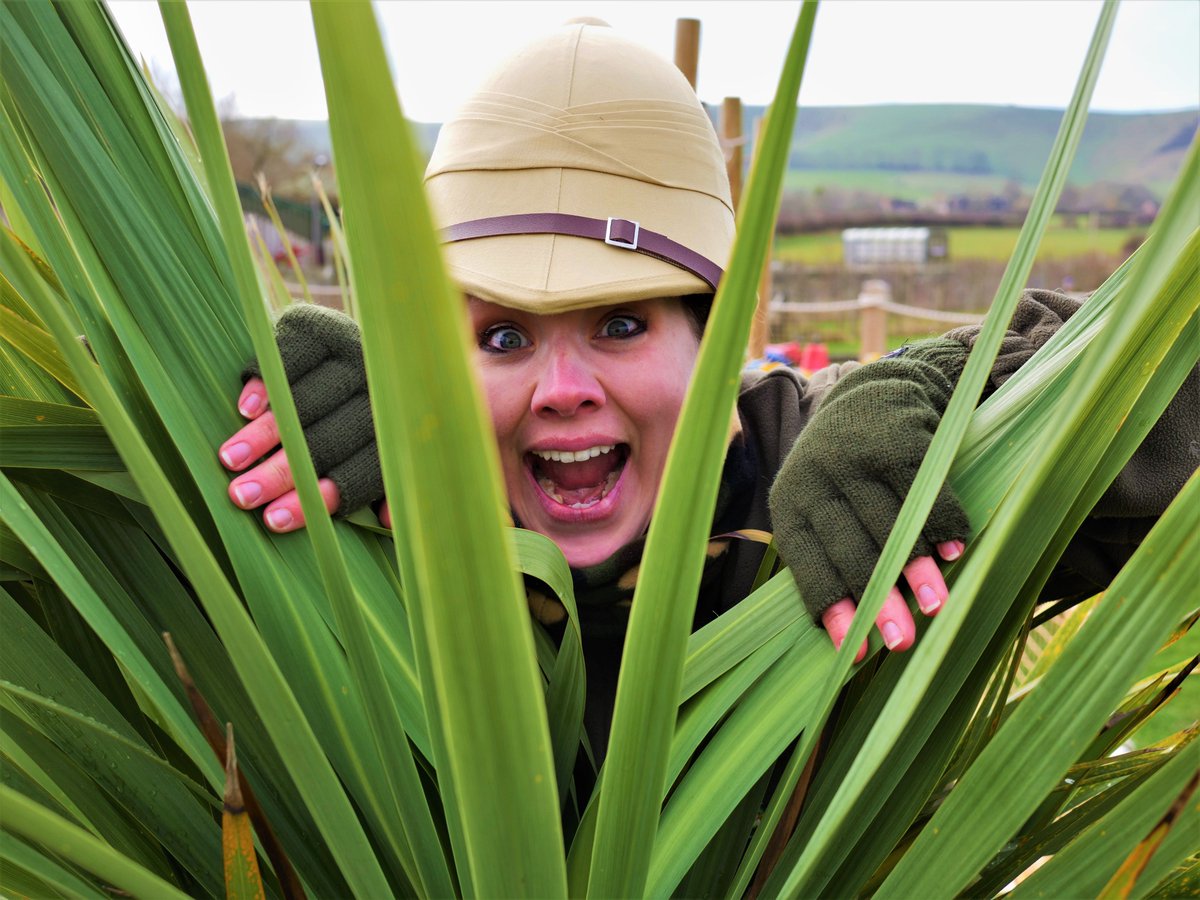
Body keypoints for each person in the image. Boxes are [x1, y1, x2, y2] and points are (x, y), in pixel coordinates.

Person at [217, 20, 1195, 749]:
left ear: (713, 336)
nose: (562, 388)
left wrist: (941, 387)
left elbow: (1171, 371)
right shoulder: (385, 504)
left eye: (622, 323)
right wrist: (242, 422)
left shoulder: (848, 477)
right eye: (502, 334)